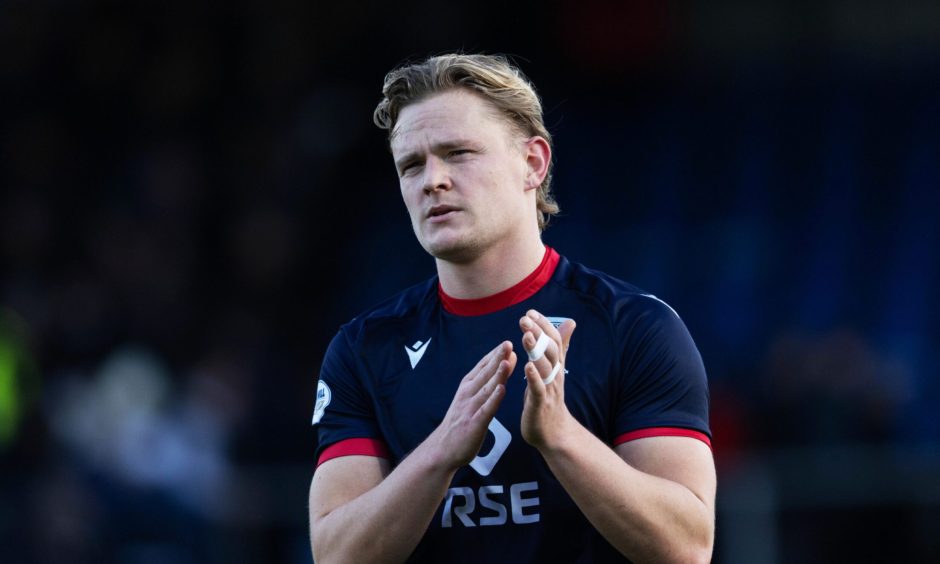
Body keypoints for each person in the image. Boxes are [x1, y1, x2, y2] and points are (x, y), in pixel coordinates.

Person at [308, 54, 715, 564]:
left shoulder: (636, 328)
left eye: (458, 153)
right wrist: (442, 451)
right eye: (412, 165)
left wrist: (561, 438)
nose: (432, 180)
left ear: (533, 163)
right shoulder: (364, 348)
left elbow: (687, 547)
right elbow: (336, 554)